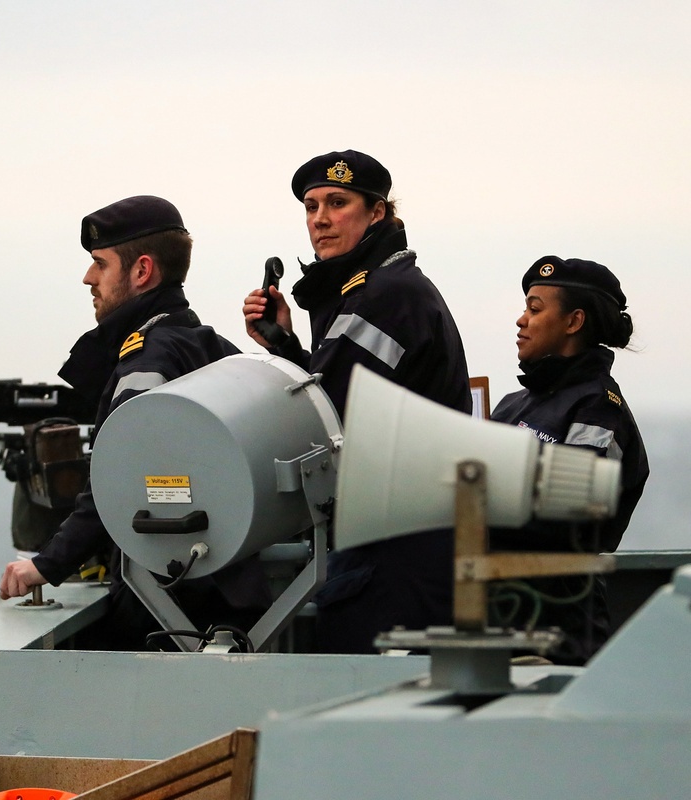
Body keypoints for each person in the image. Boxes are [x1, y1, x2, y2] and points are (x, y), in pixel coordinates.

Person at [1, 195, 270, 649]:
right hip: (225, 587)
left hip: (168, 602)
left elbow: (118, 478)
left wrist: (47, 565)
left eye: (100, 265)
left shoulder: (148, 358)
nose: (88, 278)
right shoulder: (211, 346)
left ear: (142, 271)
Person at [242, 150, 472, 654]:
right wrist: (285, 344)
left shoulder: (384, 296)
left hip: (397, 557)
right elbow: (337, 395)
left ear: (377, 213)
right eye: (310, 206)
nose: (319, 219)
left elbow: (324, 418)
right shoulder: (371, 291)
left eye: (337, 203)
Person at [489, 255, 650, 664]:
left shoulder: (599, 409)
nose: (521, 321)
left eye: (535, 309)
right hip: (498, 614)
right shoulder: (513, 405)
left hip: (557, 630)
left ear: (574, 322)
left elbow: (573, 508)